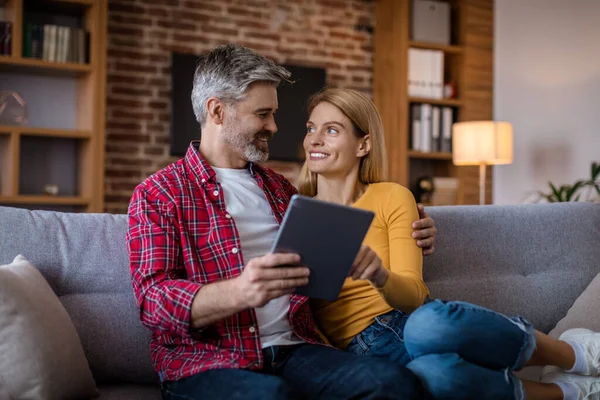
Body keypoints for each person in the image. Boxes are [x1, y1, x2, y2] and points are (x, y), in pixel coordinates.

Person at [126, 44, 437, 400]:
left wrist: (418, 224)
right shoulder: (159, 193)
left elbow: (350, 218)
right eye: (262, 114)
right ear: (217, 111)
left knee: (392, 382)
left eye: (273, 114)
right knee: (272, 396)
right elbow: (152, 302)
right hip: (209, 361)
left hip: (295, 351)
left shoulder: (280, 190)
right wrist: (241, 291)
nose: (273, 126)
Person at [300, 87, 600, 400]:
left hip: (410, 323)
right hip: (359, 353)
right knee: (436, 377)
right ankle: (568, 392)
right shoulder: (295, 211)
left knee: (428, 324)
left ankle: (575, 353)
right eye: (310, 128)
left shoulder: (392, 197)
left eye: (331, 130)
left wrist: (380, 275)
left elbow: (415, 297)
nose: (314, 140)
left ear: (364, 144)